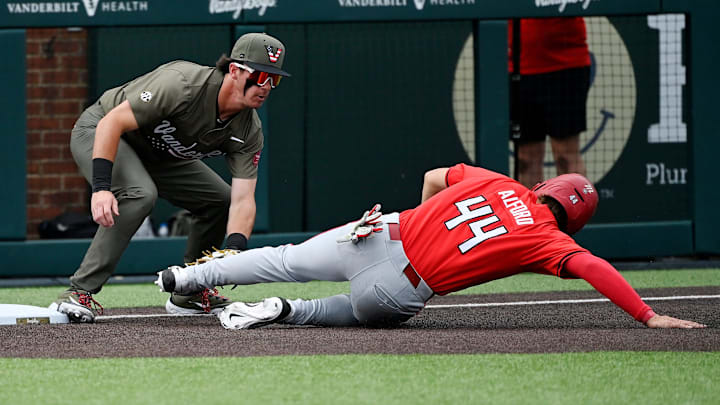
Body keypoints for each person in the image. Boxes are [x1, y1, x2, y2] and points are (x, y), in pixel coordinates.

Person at [155, 163, 706, 330]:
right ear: (574, 219)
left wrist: (418, 214)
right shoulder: (548, 239)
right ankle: (284, 312)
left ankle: (188, 278)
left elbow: (436, 173)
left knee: (283, 258)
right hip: (400, 286)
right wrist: (649, 316)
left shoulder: (502, 184)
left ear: (544, 189)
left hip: (375, 233)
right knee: (357, 311)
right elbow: (593, 267)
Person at [49, 32, 291, 323]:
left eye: (274, 80)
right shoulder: (184, 84)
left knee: (219, 200)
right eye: (262, 76)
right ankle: (78, 291)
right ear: (235, 70)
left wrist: (234, 252)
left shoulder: (248, 130)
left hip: (160, 155)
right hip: (103, 131)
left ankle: (190, 291)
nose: (267, 87)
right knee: (140, 194)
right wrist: (101, 188)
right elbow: (111, 122)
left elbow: (242, 199)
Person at [509, 17, 591, 188]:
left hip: (565, 66)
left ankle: (575, 213)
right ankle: (533, 214)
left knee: (565, 154)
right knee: (525, 158)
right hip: (519, 68)